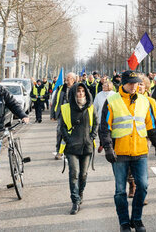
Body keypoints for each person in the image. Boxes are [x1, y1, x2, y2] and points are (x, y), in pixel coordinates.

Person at [99, 70, 156, 232]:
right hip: (119, 152)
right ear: (123, 84)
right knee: (120, 190)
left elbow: (151, 125)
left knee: (143, 186)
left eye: (136, 83)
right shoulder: (111, 101)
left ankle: (137, 219)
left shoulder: (144, 101)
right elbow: (105, 127)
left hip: (140, 151)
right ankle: (124, 223)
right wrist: (108, 148)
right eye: (131, 83)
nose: (134, 86)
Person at [58, 83, 98, 214]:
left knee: (83, 174)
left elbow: (96, 123)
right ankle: (75, 201)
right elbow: (62, 127)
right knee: (74, 173)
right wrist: (68, 140)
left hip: (87, 146)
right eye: (78, 91)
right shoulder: (66, 108)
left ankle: (80, 193)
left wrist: (92, 137)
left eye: (82, 91)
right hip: (72, 147)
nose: (80, 94)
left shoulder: (91, 107)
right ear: (74, 94)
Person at [51, 72, 77, 160]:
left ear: (73, 79)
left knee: (74, 132)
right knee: (60, 131)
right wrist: (53, 114)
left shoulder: (78, 88)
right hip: (62, 113)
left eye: (68, 77)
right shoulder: (61, 88)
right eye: (66, 77)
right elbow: (55, 101)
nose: (66, 79)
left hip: (74, 113)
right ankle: (59, 151)